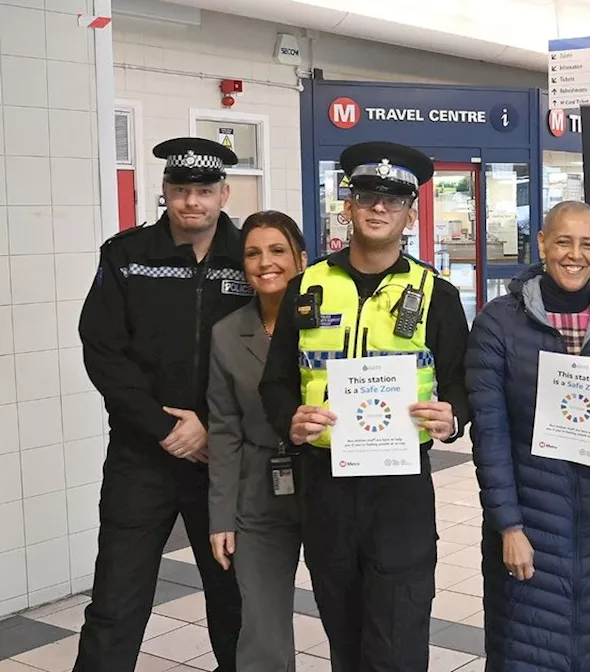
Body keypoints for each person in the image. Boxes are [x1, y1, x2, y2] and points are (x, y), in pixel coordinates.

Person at [259, 141, 471, 671]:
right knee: (343, 632)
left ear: (410, 213)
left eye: (393, 200)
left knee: (398, 634)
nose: (379, 208)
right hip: (325, 484)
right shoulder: (306, 287)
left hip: (399, 490)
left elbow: (464, 382)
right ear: (347, 205)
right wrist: (291, 420)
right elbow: (275, 381)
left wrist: (452, 418)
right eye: (368, 196)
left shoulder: (436, 293)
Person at [75, 137, 246, 672]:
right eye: (180, 190)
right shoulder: (126, 256)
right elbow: (103, 350)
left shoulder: (252, 257)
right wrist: (165, 429)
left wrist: (213, 429)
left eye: (204, 190)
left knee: (236, 601)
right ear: (165, 191)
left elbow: (279, 354)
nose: (191, 201)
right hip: (141, 456)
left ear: (224, 192)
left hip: (226, 462)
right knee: (116, 602)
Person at [465, 200, 590, 671]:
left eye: (587, 244)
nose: (575, 254)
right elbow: (490, 434)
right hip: (532, 524)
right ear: (542, 243)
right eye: (563, 241)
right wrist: (509, 527)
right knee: (526, 653)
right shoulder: (498, 324)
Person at [207, 211, 308, 672]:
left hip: (329, 482)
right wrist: (221, 515)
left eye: (277, 250)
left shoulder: (333, 322)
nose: (265, 262)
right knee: (262, 631)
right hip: (260, 490)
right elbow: (225, 429)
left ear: (301, 259)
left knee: (353, 617)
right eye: (253, 253)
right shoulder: (227, 335)